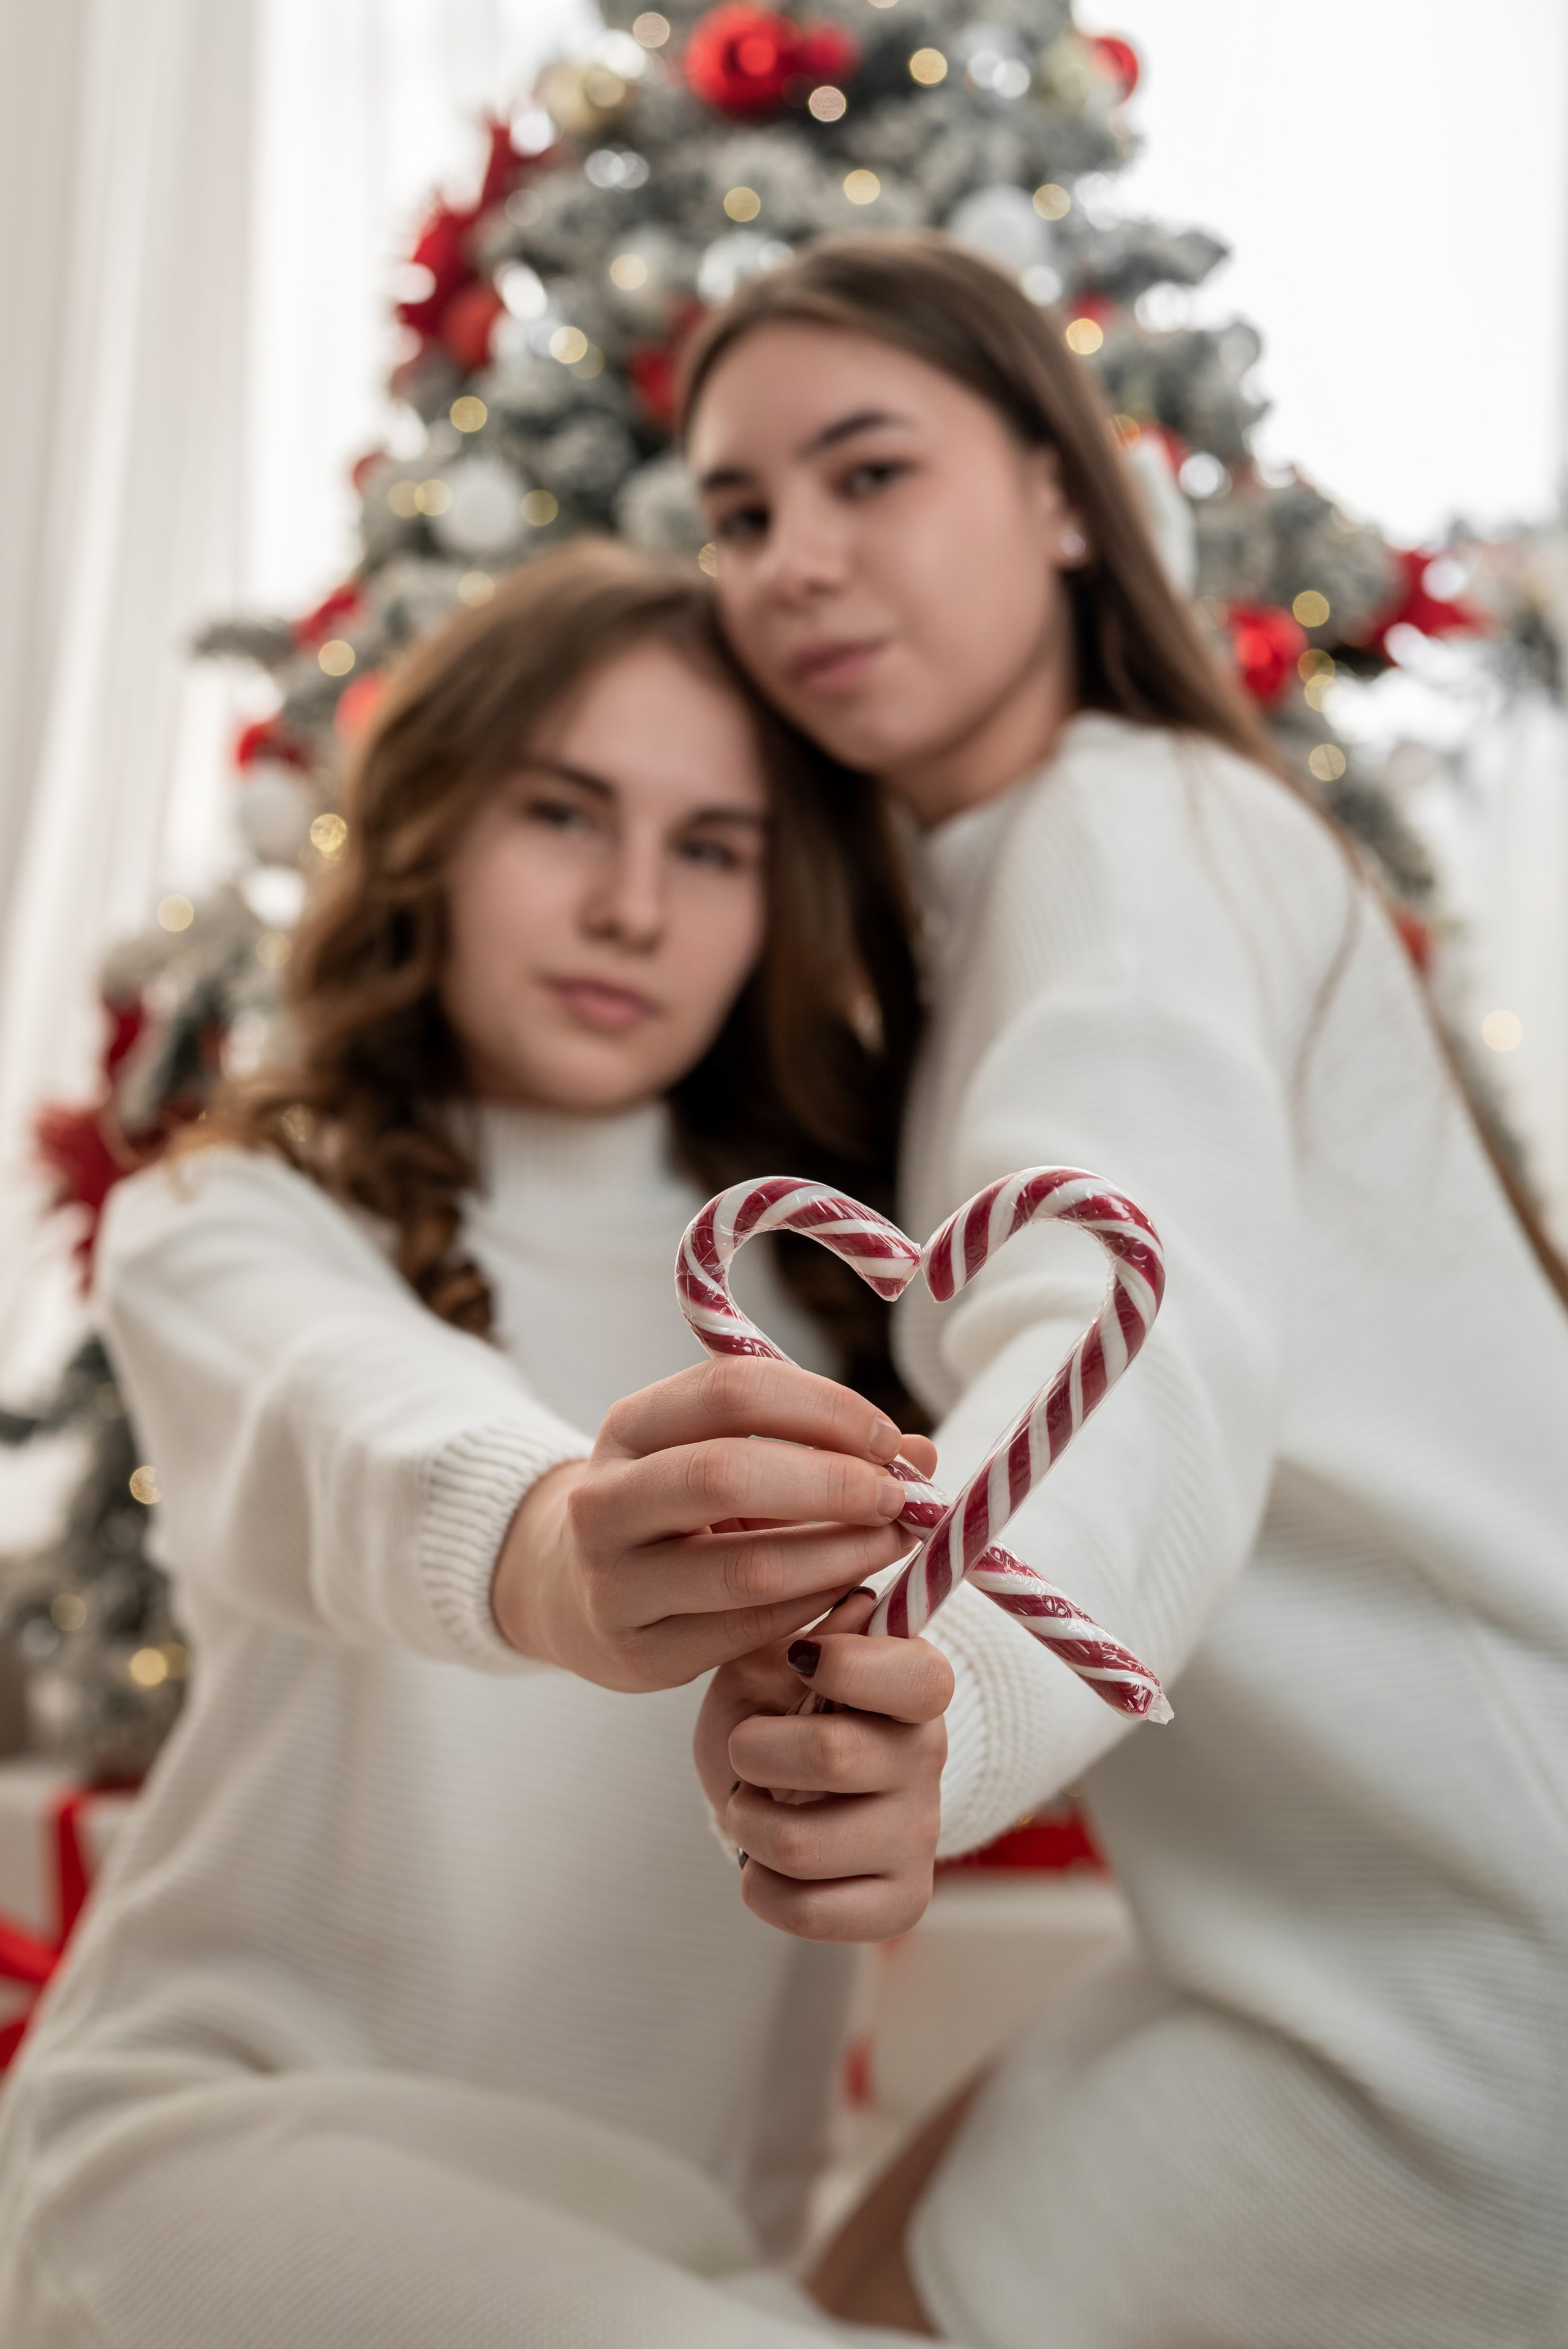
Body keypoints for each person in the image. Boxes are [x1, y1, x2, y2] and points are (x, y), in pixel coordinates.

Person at [682, 235, 1568, 2349]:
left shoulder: (1123, 842)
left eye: (868, 472)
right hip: (1315, 1947)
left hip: (1474, 1985)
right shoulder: (1021, 872)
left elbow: (1130, 1325)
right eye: (738, 512)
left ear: (1065, 497)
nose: (796, 560)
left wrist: (950, 1681)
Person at [0, 540, 957, 2349]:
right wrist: (553, 1540)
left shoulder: (837, 1301)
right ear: (434, 827)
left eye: (712, 847)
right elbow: (346, 1414)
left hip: (676, 2247)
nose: (631, 908)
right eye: (564, 813)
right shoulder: (233, 1217)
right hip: (213, 2167)